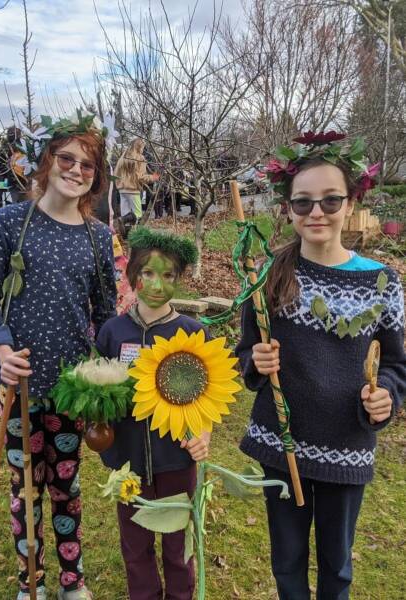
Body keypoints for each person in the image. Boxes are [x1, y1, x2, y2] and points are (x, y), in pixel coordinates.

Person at [235, 132, 405, 600]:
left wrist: (385, 396)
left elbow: (395, 363)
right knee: (287, 564)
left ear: (350, 203)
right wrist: (255, 360)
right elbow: (245, 351)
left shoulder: (381, 282)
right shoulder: (269, 275)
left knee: (338, 566)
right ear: (288, 208)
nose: (316, 212)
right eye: (304, 202)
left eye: (330, 201)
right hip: (282, 443)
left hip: (346, 446)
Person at [0, 114, 117, 600]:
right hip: (19, 384)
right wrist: (1, 347)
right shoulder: (13, 221)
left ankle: (72, 582)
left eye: (88, 165)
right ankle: (28, 583)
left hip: (71, 387)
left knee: (65, 487)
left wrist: (106, 374)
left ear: (96, 177)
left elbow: (104, 311)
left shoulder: (98, 236)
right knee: (26, 490)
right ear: (46, 160)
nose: (76, 170)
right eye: (66, 158)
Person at [95, 227, 210, 600]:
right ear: (133, 276)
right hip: (127, 462)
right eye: (148, 273)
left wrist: (203, 433)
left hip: (175, 458)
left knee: (179, 545)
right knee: (135, 544)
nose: (157, 283)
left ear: (179, 278)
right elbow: (99, 389)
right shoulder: (113, 332)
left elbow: (209, 394)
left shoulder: (192, 332)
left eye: (168, 275)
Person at [114, 138, 159, 235]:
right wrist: (153, 177)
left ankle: (126, 236)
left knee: (125, 214)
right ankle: (136, 236)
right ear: (139, 147)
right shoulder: (140, 158)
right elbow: (141, 177)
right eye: (143, 147)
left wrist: (119, 185)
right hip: (133, 190)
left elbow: (116, 174)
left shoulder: (122, 158)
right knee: (138, 215)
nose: (143, 149)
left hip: (122, 190)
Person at [0, 126, 27, 223]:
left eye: (16, 133)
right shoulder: (6, 148)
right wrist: (7, 173)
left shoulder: (25, 146)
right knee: (17, 205)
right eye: (11, 133)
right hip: (14, 182)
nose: (13, 135)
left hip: (27, 181)